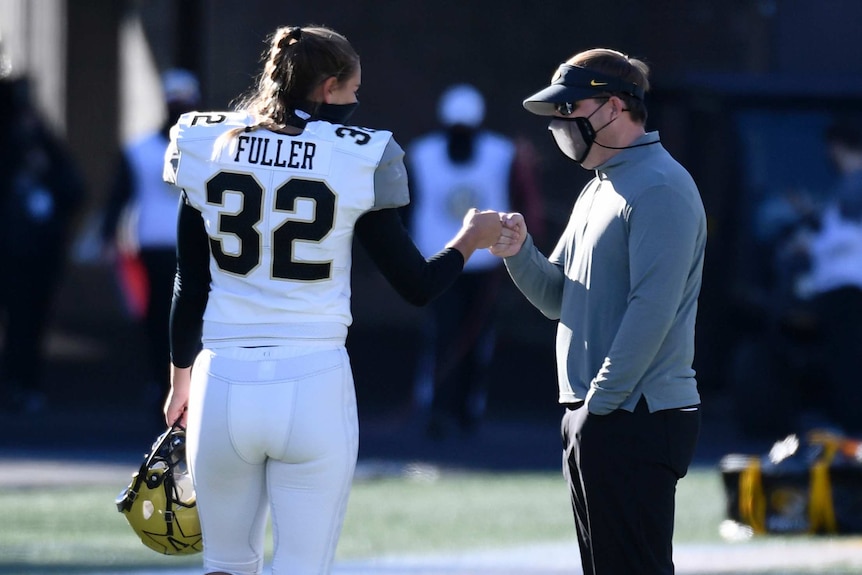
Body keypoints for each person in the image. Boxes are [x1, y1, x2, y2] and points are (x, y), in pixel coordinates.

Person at [161, 25, 516, 575]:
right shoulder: (357, 156)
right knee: (304, 567)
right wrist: (469, 239)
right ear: (328, 87)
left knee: (226, 566)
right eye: (352, 89)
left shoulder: (209, 142)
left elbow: (191, 283)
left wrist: (179, 379)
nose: (356, 101)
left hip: (221, 380)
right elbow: (417, 286)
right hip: (312, 380)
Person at [490, 48, 706, 574]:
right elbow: (559, 299)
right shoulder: (602, 185)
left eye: (570, 108)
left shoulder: (657, 186)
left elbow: (650, 310)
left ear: (613, 106)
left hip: (635, 414)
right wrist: (518, 252)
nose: (561, 124)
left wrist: (601, 404)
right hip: (601, 412)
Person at [404, 83, 543, 439]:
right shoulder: (422, 154)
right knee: (443, 334)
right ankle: (439, 409)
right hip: (438, 261)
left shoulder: (502, 152)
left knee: (476, 338)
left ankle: (466, 410)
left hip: (483, 264)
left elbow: (524, 196)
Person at [100, 69, 202, 419]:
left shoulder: (209, 147)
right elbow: (119, 196)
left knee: (188, 315)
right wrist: (108, 236)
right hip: (156, 245)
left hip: (190, 244)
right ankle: (162, 382)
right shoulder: (140, 149)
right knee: (159, 318)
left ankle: (184, 384)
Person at [0, 75, 85, 414]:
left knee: (30, 321)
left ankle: (26, 383)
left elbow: (74, 190)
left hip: (38, 251)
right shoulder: (9, 145)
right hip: (8, 247)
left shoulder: (46, 146)